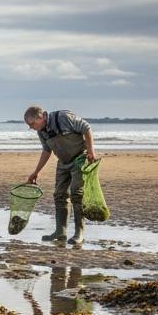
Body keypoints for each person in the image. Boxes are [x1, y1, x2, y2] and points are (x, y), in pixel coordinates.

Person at [24, 106, 97, 247]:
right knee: (59, 195)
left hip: (80, 158)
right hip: (63, 161)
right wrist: (36, 172)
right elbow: (46, 151)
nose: (32, 128)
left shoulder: (63, 117)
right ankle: (60, 231)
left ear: (42, 117)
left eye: (32, 124)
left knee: (77, 194)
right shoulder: (42, 131)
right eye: (29, 126)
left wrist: (91, 152)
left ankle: (79, 233)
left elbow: (86, 128)